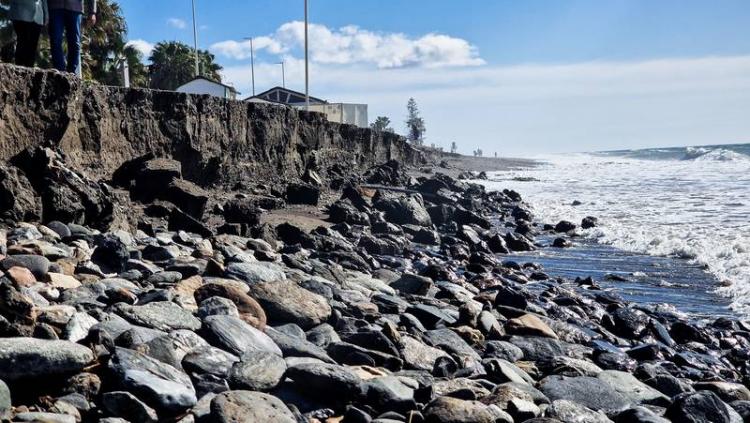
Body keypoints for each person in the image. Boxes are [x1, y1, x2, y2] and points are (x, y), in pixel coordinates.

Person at [47, 0, 96, 76]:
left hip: (75, 8)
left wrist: (92, 12)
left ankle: (71, 72)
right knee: (55, 39)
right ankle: (60, 71)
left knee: (75, 42)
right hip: (55, 7)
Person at [8, 0, 48, 67]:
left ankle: (29, 71)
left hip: (37, 15)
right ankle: (19, 69)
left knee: (32, 46)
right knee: (22, 41)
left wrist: (46, 14)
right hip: (20, 12)